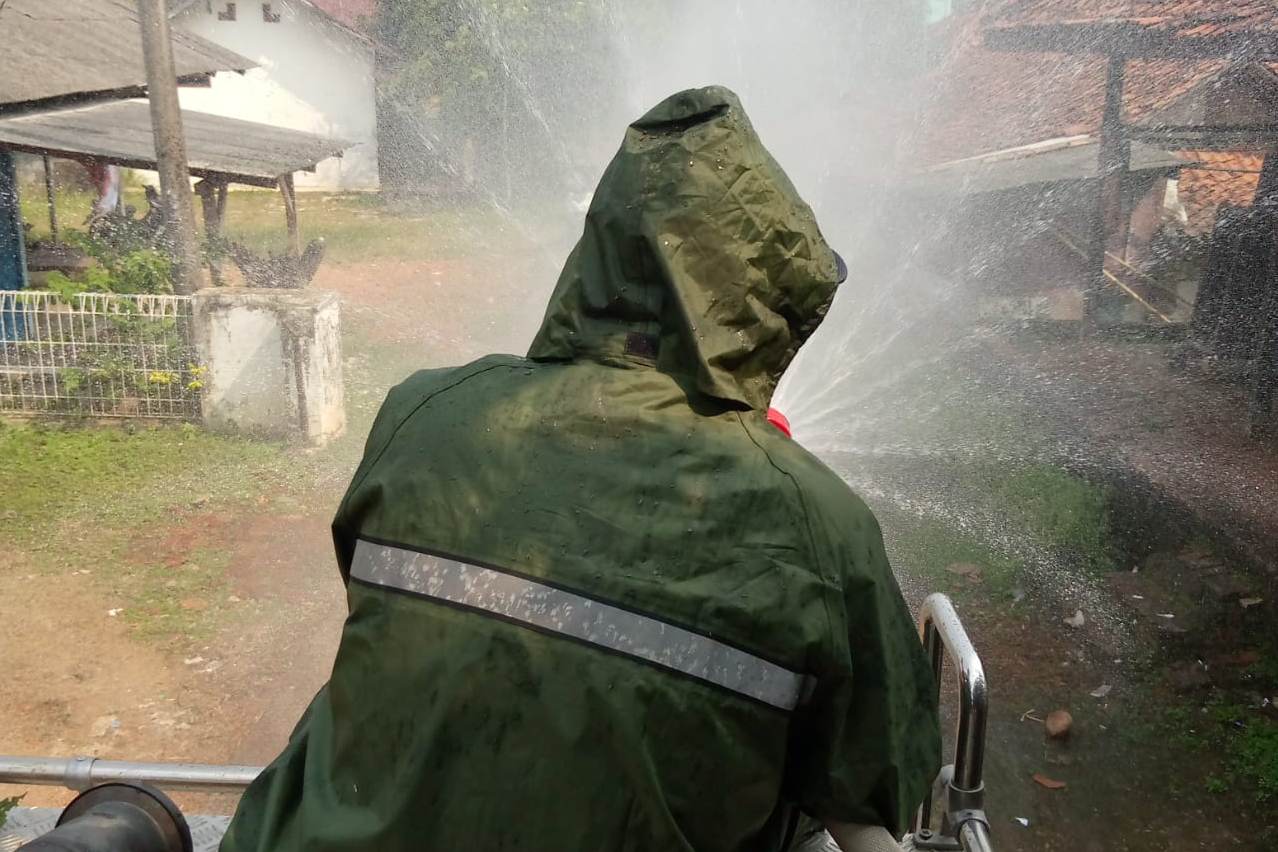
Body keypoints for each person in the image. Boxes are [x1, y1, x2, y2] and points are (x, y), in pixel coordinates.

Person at [221, 85, 940, 852]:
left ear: (595, 262)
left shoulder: (426, 410)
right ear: (763, 304)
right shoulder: (815, 523)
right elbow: (876, 776)